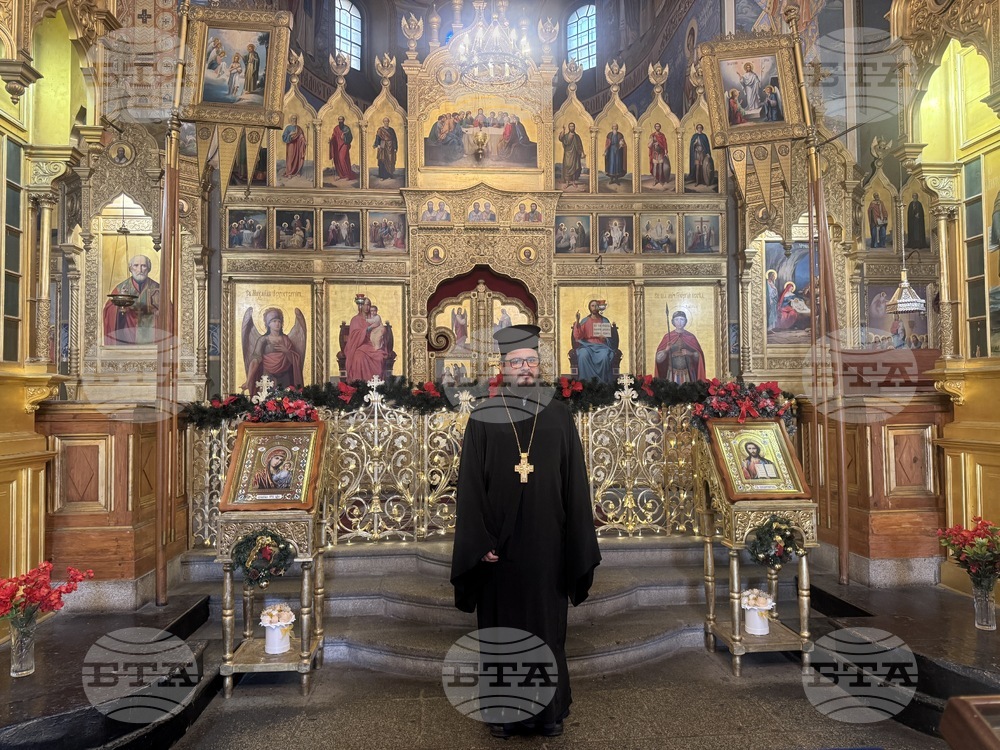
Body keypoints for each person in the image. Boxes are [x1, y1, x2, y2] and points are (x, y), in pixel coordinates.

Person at [451, 324, 601, 740]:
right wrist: (479, 541)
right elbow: (469, 486)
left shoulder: (557, 413)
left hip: (548, 544)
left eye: (531, 361)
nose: (525, 368)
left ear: (539, 365)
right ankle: (503, 713)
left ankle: (548, 713)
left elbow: (574, 481)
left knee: (546, 627)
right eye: (517, 362)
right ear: (503, 367)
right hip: (500, 546)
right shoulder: (484, 415)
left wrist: (575, 541)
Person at [241, 307, 307, 396]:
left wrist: (287, 352)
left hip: (285, 377)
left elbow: (295, 361)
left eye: (279, 321)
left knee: (285, 401)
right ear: (268, 324)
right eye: (274, 321)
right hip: (268, 376)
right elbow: (255, 360)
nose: (277, 324)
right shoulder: (263, 340)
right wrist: (248, 381)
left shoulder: (286, 339)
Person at [103, 254, 161, 345]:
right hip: (127, 338)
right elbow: (108, 310)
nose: (140, 270)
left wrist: (159, 313)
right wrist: (119, 306)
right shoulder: (121, 288)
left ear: (149, 269)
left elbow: (169, 313)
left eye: (144, 266)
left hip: (152, 339)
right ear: (130, 268)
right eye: (136, 265)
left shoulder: (158, 288)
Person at [654, 310, 706, 384]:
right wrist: (666, 350)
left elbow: (699, 357)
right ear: (673, 322)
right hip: (672, 374)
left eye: (682, 319)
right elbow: (658, 359)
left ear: (685, 321)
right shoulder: (668, 337)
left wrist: (690, 353)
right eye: (677, 320)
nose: (679, 322)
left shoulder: (690, 337)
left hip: (688, 374)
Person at [573, 300, 616, 383]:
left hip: (601, 346)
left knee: (604, 357)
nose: (594, 307)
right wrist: (577, 321)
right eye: (592, 305)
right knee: (582, 355)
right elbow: (577, 336)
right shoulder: (585, 321)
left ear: (599, 308)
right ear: (589, 307)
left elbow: (611, 338)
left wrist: (605, 338)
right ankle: (586, 382)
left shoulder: (605, 320)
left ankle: (602, 384)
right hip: (587, 345)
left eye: (596, 305)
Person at [345, 296, 386, 382]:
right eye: (366, 305)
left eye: (369, 305)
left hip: (371, 344)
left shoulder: (374, 318)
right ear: (361, 306)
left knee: (379, 357)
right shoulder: (355, 319)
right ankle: (359, 385)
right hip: (359, 346)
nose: (367, 307)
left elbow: (380, 330)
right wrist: (367, 330)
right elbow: (353, 336)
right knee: (359, 357)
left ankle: (376, 386)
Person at [329, 115, 358, 181]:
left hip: (344, 145)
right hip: (337, 145)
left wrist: (344, 137)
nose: (340, 121)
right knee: (337, 159)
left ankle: (347, 175)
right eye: (339, 119)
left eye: (341, 119)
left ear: (343, 120)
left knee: (343, 158)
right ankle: (341, 175)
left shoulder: (347, 128)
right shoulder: (336, 128)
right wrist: (331, 140)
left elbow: (350, 137)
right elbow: (334, 136)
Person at [559, 122, 584, 187]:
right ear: (569, 127)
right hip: (567, 154)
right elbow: (561, 138)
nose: (572, 127)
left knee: (574, 167)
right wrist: (563, 130)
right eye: (570, 126)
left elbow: (580, 145)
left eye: (573, 126)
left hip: (575, 154)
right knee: (567, 167)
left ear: (574, 127)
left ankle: (573, 182)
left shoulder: (577, 136)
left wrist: (582, 153)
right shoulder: (566, 136)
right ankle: (567, 182)